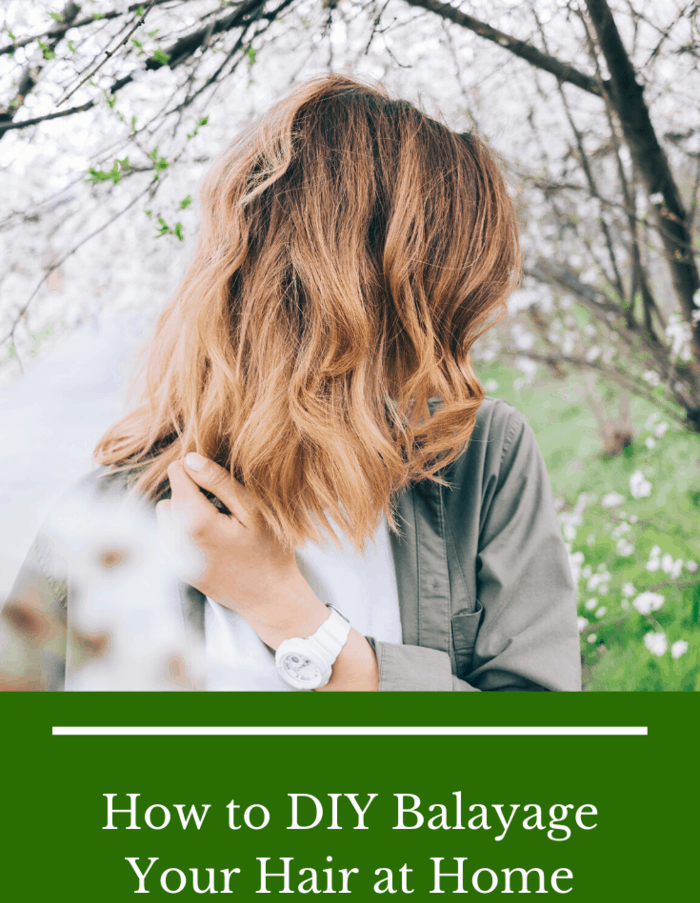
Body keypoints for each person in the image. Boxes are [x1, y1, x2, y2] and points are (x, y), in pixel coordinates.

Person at [0, 74, 581, 693]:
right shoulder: (105, 519)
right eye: (440, 309)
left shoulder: (480, 458)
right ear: (362, 295)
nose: (452, 355)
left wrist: (289, 614)